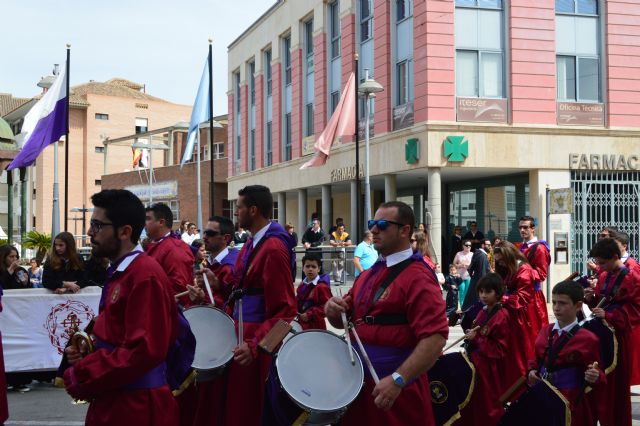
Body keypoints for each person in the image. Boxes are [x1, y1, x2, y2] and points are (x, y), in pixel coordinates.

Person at [325, 201, 448, 426]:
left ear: (405, 230)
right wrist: (332, 309)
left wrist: (398, 380)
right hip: (357, 386)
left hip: (395, 392)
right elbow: (344, 319)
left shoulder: (419, 276)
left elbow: (436, 337)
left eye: (382, 224)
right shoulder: (368, 274)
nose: (373, 230)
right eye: (373, 223)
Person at [63, 189, 179, 425]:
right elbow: (119, 335)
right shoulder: (124, 271)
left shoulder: (144, 275)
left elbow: (142, 351)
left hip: (137, 407)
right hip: (117, 398)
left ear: (125, 232)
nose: (89, 233)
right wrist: (90, 350)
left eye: (97, 225)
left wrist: (85, 372)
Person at [221, 185, 297, 426]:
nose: (235, 212)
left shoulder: (273, 248)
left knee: (252, 412)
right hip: (242, 338)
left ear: (253, 210)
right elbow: (241, 286)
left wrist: (258, 347)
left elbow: (286, 312)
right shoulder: (252, 243)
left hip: (256, 346)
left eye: (239, 207)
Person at [526, 280, 604, 426]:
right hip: (543, 397)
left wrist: (595, 376)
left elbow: (598, 372)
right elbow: (536, 359)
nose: (556, 308)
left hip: (571, 400)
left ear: (578, 306)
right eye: (554, 302)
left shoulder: (588, 339)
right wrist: (531, 370)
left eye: (562, 303)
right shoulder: (545, 331)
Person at [186, 216, 239, 426]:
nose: (204, 237)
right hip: (212, 339)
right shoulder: (213, 263)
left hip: (225, 342)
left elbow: (233, 306)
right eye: (204, 232)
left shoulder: (231, 264)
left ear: (225, 238)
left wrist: (208, 296)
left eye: (210, 233)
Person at [585, 238, 640, 426]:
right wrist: (591, 300)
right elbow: (602, 302)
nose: (599, 267)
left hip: (620, 338)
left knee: (617, 386)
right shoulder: (604, 276)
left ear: (615, 257)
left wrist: (609, 315)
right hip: (602, 334)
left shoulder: (632, 277)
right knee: (602, 382)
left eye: (602, 262)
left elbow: (636, 310)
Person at [458, 273, 510, 426]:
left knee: (488, 404)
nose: (483, 295)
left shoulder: (502, 315)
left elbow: (499, 350)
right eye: (481, 292)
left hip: (489, 369)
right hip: (476, 363)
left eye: (488, 292)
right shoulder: (483, 311)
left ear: (498, 293)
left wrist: (477, 339)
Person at [493, 241, 538, 388]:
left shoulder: (524, 270)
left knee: (521, 353)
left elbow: (522, 298)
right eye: (498, 261)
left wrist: (501, 298)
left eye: (501, 260)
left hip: (521, 317)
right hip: (513, 313)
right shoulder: (513, 268)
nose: (501, 264)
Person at [144, 202, 195, 307]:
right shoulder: (154, 244)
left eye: (148, 219)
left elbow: (178, 288)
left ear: (161, 222)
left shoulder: (175, 249)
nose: (144, 223)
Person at [518, 215, 550, 334]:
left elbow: (541, 274)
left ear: (533, 229)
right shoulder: (521, 247)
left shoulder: (540, 248)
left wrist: (522, 272)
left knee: (534, 332)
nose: (522, 230)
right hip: (519, 294)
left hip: (532, 297)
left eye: (525, 227)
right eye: (520, 227)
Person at [296, 254, 331, 330]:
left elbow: (327, 307)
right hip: (302, 324)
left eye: (313, 267)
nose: (310, 269)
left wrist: (310, 314)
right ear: (303, 268)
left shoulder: (322, 287)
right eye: (307, 266)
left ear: (319, 269)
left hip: (316, 326)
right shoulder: (301, 285)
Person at [461, 239, 491, 311]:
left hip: (475, 283)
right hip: (479, 285)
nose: (490, 247)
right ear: (483, 245)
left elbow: (470, 268)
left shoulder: (478, 253)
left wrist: (474, 277)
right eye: (488, 245)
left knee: (470, 304)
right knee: (475, 306)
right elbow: (482, 273)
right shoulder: (482, 256)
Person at [453, 240, 473, 305]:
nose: (468, 247)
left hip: (468, 276)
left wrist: (468, 266)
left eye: (470, 245)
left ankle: (466, 306)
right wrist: (460, 265)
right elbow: (454, 264)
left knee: (467, 292)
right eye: (467, 245)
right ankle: (462, 307)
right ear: (463, 246)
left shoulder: (472, 254)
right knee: (462, 291)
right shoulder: (459, 254)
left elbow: (474, 265)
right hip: (460, 276)